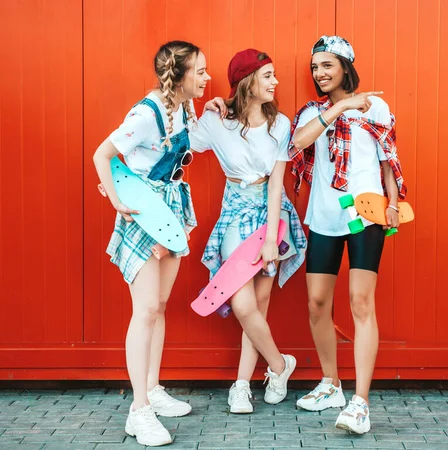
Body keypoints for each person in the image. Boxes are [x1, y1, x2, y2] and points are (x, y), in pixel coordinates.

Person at [93, 40, 211, 446]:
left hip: (171, 210)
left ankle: (152, 388)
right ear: (178, 75)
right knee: (143, 309)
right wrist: (118, 200)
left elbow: (187, 142)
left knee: (159, 305)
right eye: (200, 71)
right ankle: (138, 411)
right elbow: (102, 154)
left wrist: (208, 110)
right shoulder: (146, 114)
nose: (206, 78)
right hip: (144, 213)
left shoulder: (181, 106)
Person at [289, 35, 406, 434]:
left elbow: (387, 158)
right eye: (315, 67)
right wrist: (340, 106)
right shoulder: (310, 112)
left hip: (365, 215)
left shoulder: (377, 107)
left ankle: (360, 402)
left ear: (345, 66)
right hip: (323, 216)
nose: (320, 73)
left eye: (327, 65)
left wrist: (392, 201)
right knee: (317, 304)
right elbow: (297, 144)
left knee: (360, 302)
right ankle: (331, 384)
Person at [190, 49, 307, 414]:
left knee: (258, 305)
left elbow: (276, 185)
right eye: (268, 75)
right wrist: (199, 109)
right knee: (242, 304)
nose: (275, 82)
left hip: (271, 214)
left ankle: (241, 385)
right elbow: (179, 144)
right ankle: (279, 365)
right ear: (248, 80)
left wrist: (272, 238)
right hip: (235, 212)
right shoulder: (217, 121)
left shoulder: (281, 124)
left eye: (275, 75)